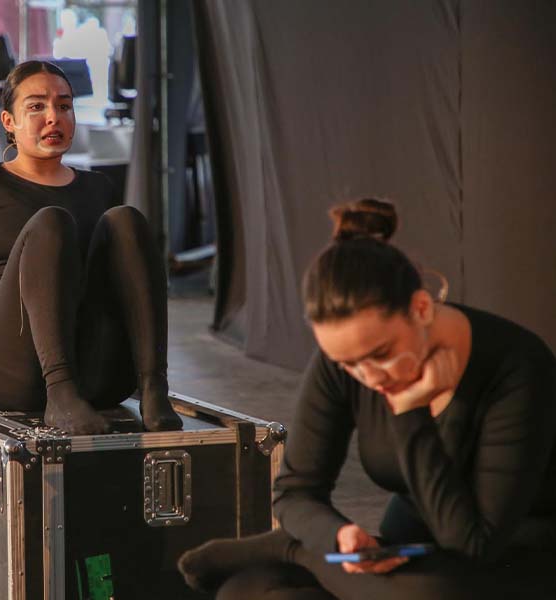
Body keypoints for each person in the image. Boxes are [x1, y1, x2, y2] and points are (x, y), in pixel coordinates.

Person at [178, 199, 556, 599]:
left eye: (380, 354)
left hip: (515, 555)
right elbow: (295, 491)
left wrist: (411, 410)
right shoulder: (345, 360)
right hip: (412, 545)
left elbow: (474, 543)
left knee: (430, 596)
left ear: (422, 307)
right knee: (248, 590)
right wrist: (337, 536)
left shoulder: (518, 367)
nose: (369, 377)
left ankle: (291, 550)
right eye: (348, 364)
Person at [0, 60, 181, 435]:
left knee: (127, 219)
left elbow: (126, 287)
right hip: (15, 370)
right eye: (36, 106)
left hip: (97, 375)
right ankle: (60, 392)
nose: (53, 117)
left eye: (63, 105)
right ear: (9, 122)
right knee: (50, 223)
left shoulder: (98, 187)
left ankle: (154, 386)